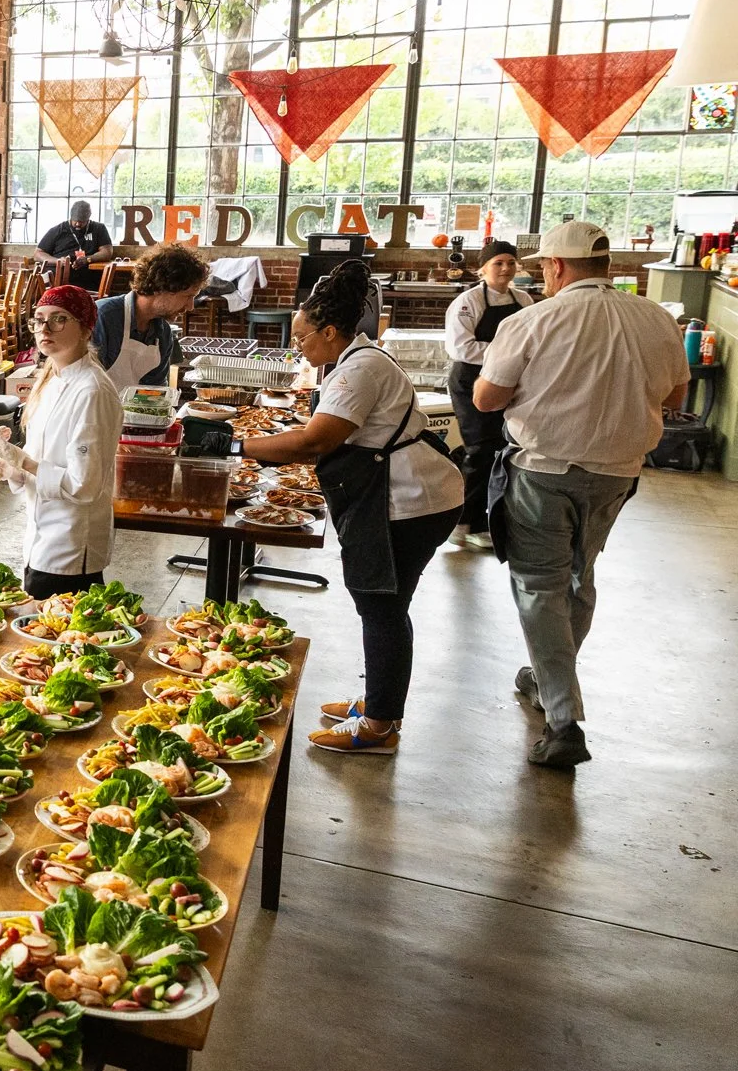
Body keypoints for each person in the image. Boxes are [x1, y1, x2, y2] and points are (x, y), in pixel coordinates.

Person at [474, 220, 690, 769]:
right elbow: (676, 393)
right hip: (618, 473)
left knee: (538, 586)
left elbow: (486, 398)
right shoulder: (656, 318)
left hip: (544, 468)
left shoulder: (534, 320)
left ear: (556, 266)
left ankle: (564, 720)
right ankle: (549, 676)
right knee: (579, 575)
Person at [229, 261, 463, 756]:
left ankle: (379, 724)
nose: (298, 347)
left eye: (301, 338)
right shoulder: (355, 361)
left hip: (409, 500)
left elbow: (314, 442)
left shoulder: (361, 369)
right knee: (382, 604)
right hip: (409, 494)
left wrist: (237, 447)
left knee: (381, 605)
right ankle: (379, 701)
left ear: (330, 331)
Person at [0, 285, 122, 598]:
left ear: (86, 329)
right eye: (39, 320)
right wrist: (9, 469)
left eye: (59, 319)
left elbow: (84, 485)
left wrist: (22, 461)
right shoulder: (50, 380)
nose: (45, 329)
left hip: (69, 547)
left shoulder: (92, 391)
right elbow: (42, 459)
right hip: (40, 538)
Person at [444, 240, 533, 550]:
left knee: (500, 449)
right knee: (479, 449)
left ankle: (481, 523)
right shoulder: (468, 302)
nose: (506, 268)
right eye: (498, 263)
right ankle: (463, 522)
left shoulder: (523, 300)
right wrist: (507, 354)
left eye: (510, 262)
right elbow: (461, 347)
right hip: (471, 381)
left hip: (508, 381)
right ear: (482, 269)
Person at [89, 244, 209, 390]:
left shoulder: (163, 332)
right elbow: (85, 384)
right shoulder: (103, 317)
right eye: (188, 296)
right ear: (162, 287)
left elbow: (156, 391)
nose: (190, 306)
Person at [36, 200, 115, 289]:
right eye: (75, 221)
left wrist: (88, 259)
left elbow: (107, 252)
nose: (77, 224)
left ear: (88, 219)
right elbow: (38, 253)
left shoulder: (98, 228)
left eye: (81, 222)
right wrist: (58, 261)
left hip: (88, 278)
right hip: (59, 279)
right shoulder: (58, 230)